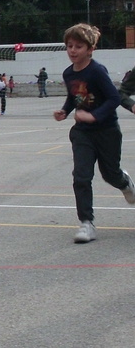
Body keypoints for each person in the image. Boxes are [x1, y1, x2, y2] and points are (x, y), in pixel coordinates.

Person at [53, 23, 135, 243]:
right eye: (69, 46)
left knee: (111, 174)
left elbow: (114, 98)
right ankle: (86, 223)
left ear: (90, 49)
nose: (72, 50)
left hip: (106, 130)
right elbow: (75, 97)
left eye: (78, 46)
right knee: (81, 175)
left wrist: (94, 116)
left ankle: (125, 183)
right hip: (82, 133)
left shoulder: (97, 71)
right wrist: (65, 110)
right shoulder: (68, 74)